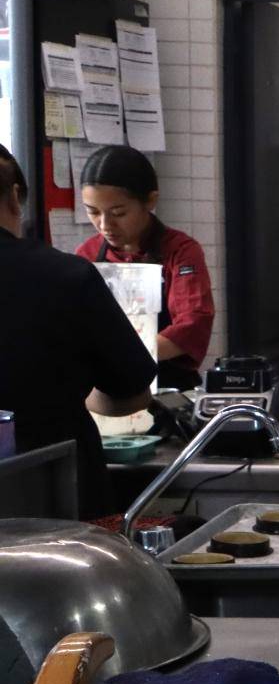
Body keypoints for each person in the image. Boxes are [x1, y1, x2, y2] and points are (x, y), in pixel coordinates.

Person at [0, 141, 157, 517]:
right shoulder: (66, 275)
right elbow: (134, 391)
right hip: (53, 508)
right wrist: (82, 398)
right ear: (16, 195)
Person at [73, 144, 214, 390]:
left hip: (167, 387)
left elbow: (193, 324)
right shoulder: (86, 255)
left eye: (118, 212)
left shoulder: (180, 251)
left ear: (150, 200)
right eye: (93, 212)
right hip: (103, 390)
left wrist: (125, 355)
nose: (105, 224)